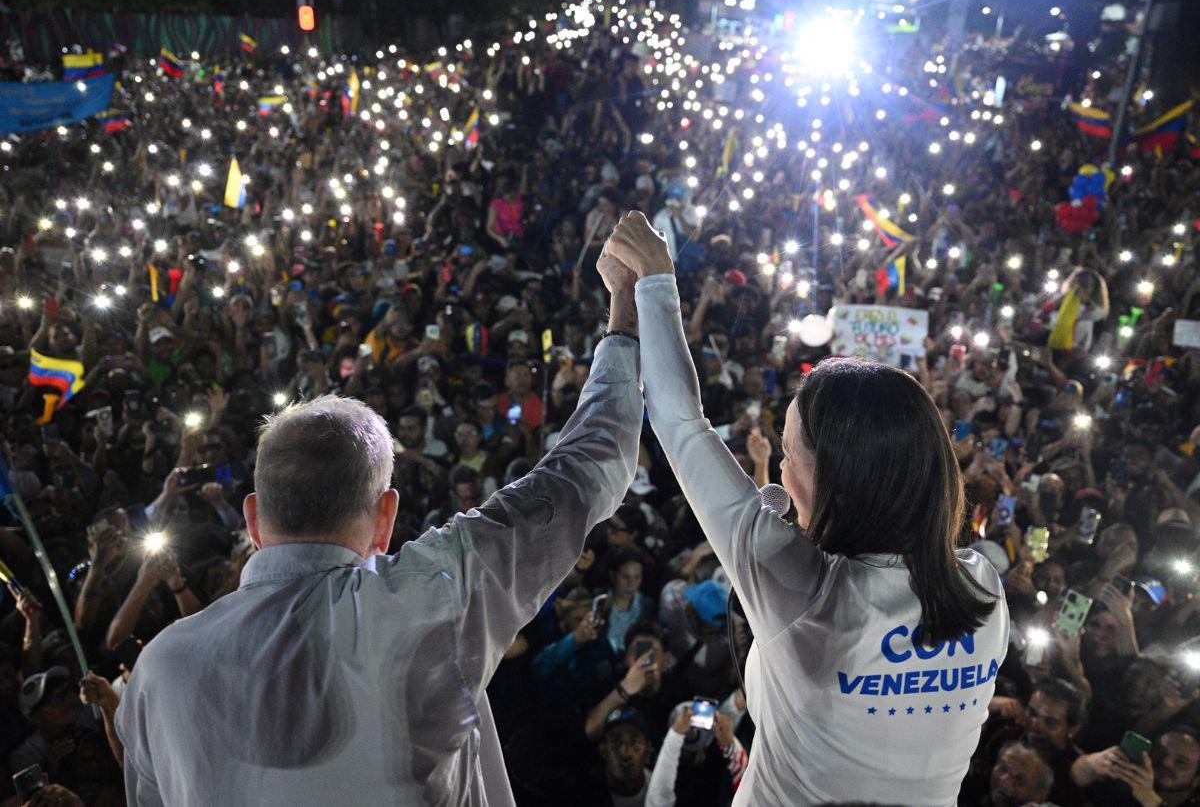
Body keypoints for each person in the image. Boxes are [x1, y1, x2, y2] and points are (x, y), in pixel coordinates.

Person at [113, 254, 645, 805]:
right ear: (385, 517)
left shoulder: (159, 669)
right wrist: (625, 311)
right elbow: (586, 468)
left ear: (252, 519)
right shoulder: (434, 597)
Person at [606, 210, 1009, 805]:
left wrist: (657, 278)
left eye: (787, 449)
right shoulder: (984, 590)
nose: (780, 470)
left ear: (835, 481)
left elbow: (679, 422)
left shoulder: (801, 586)